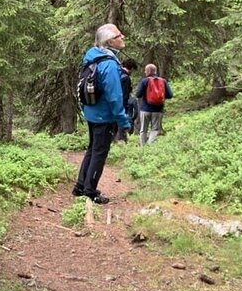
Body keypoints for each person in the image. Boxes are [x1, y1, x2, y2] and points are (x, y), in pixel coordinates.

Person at [73, 24, 131, 204]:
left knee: (92, 150)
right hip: (104, 116)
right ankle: (90, 192)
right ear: (110, 41)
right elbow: (115, 97)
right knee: (99, 153)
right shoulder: (109, 64)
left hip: (91, 113)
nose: (123, 37)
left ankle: (80, 186)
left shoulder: (92, 58)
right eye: (119, 35)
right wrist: (124, 121)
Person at [135, 63, 173, 145]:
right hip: (158, 110)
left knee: (143, 129)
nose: (145, 72)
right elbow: (170, 95)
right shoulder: (163, 81)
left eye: (145, 70)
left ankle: (143, 147)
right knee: (154, 129)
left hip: (145, 109)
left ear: (148, 71)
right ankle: (151, 145)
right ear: (155, 71)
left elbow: (138, 94)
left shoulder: (145, 81)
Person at [114, 59, 139, 142]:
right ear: (131, 68)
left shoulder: (116, 73)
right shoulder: (126, 78)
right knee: (121, 124)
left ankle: (114, 140)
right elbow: (124, 95)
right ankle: (121, 141)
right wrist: (124, 107)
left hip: (112, 102)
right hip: (121, 104)